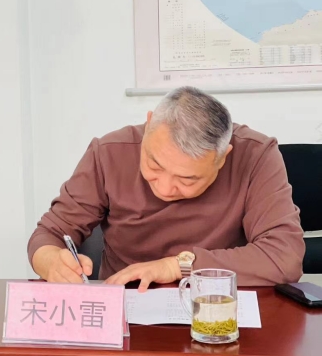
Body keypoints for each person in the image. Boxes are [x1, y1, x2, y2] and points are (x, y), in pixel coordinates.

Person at [28, 86, 304, 290]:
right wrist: (51, 261)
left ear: (223, 158)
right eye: (154, 165)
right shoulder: (109, 153)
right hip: (126, 303)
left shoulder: (256, 156)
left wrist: (177, 266)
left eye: (188, 179)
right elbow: (50, 233)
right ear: (149, 124)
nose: (166, 188)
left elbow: (285, 257)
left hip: (217, 304)